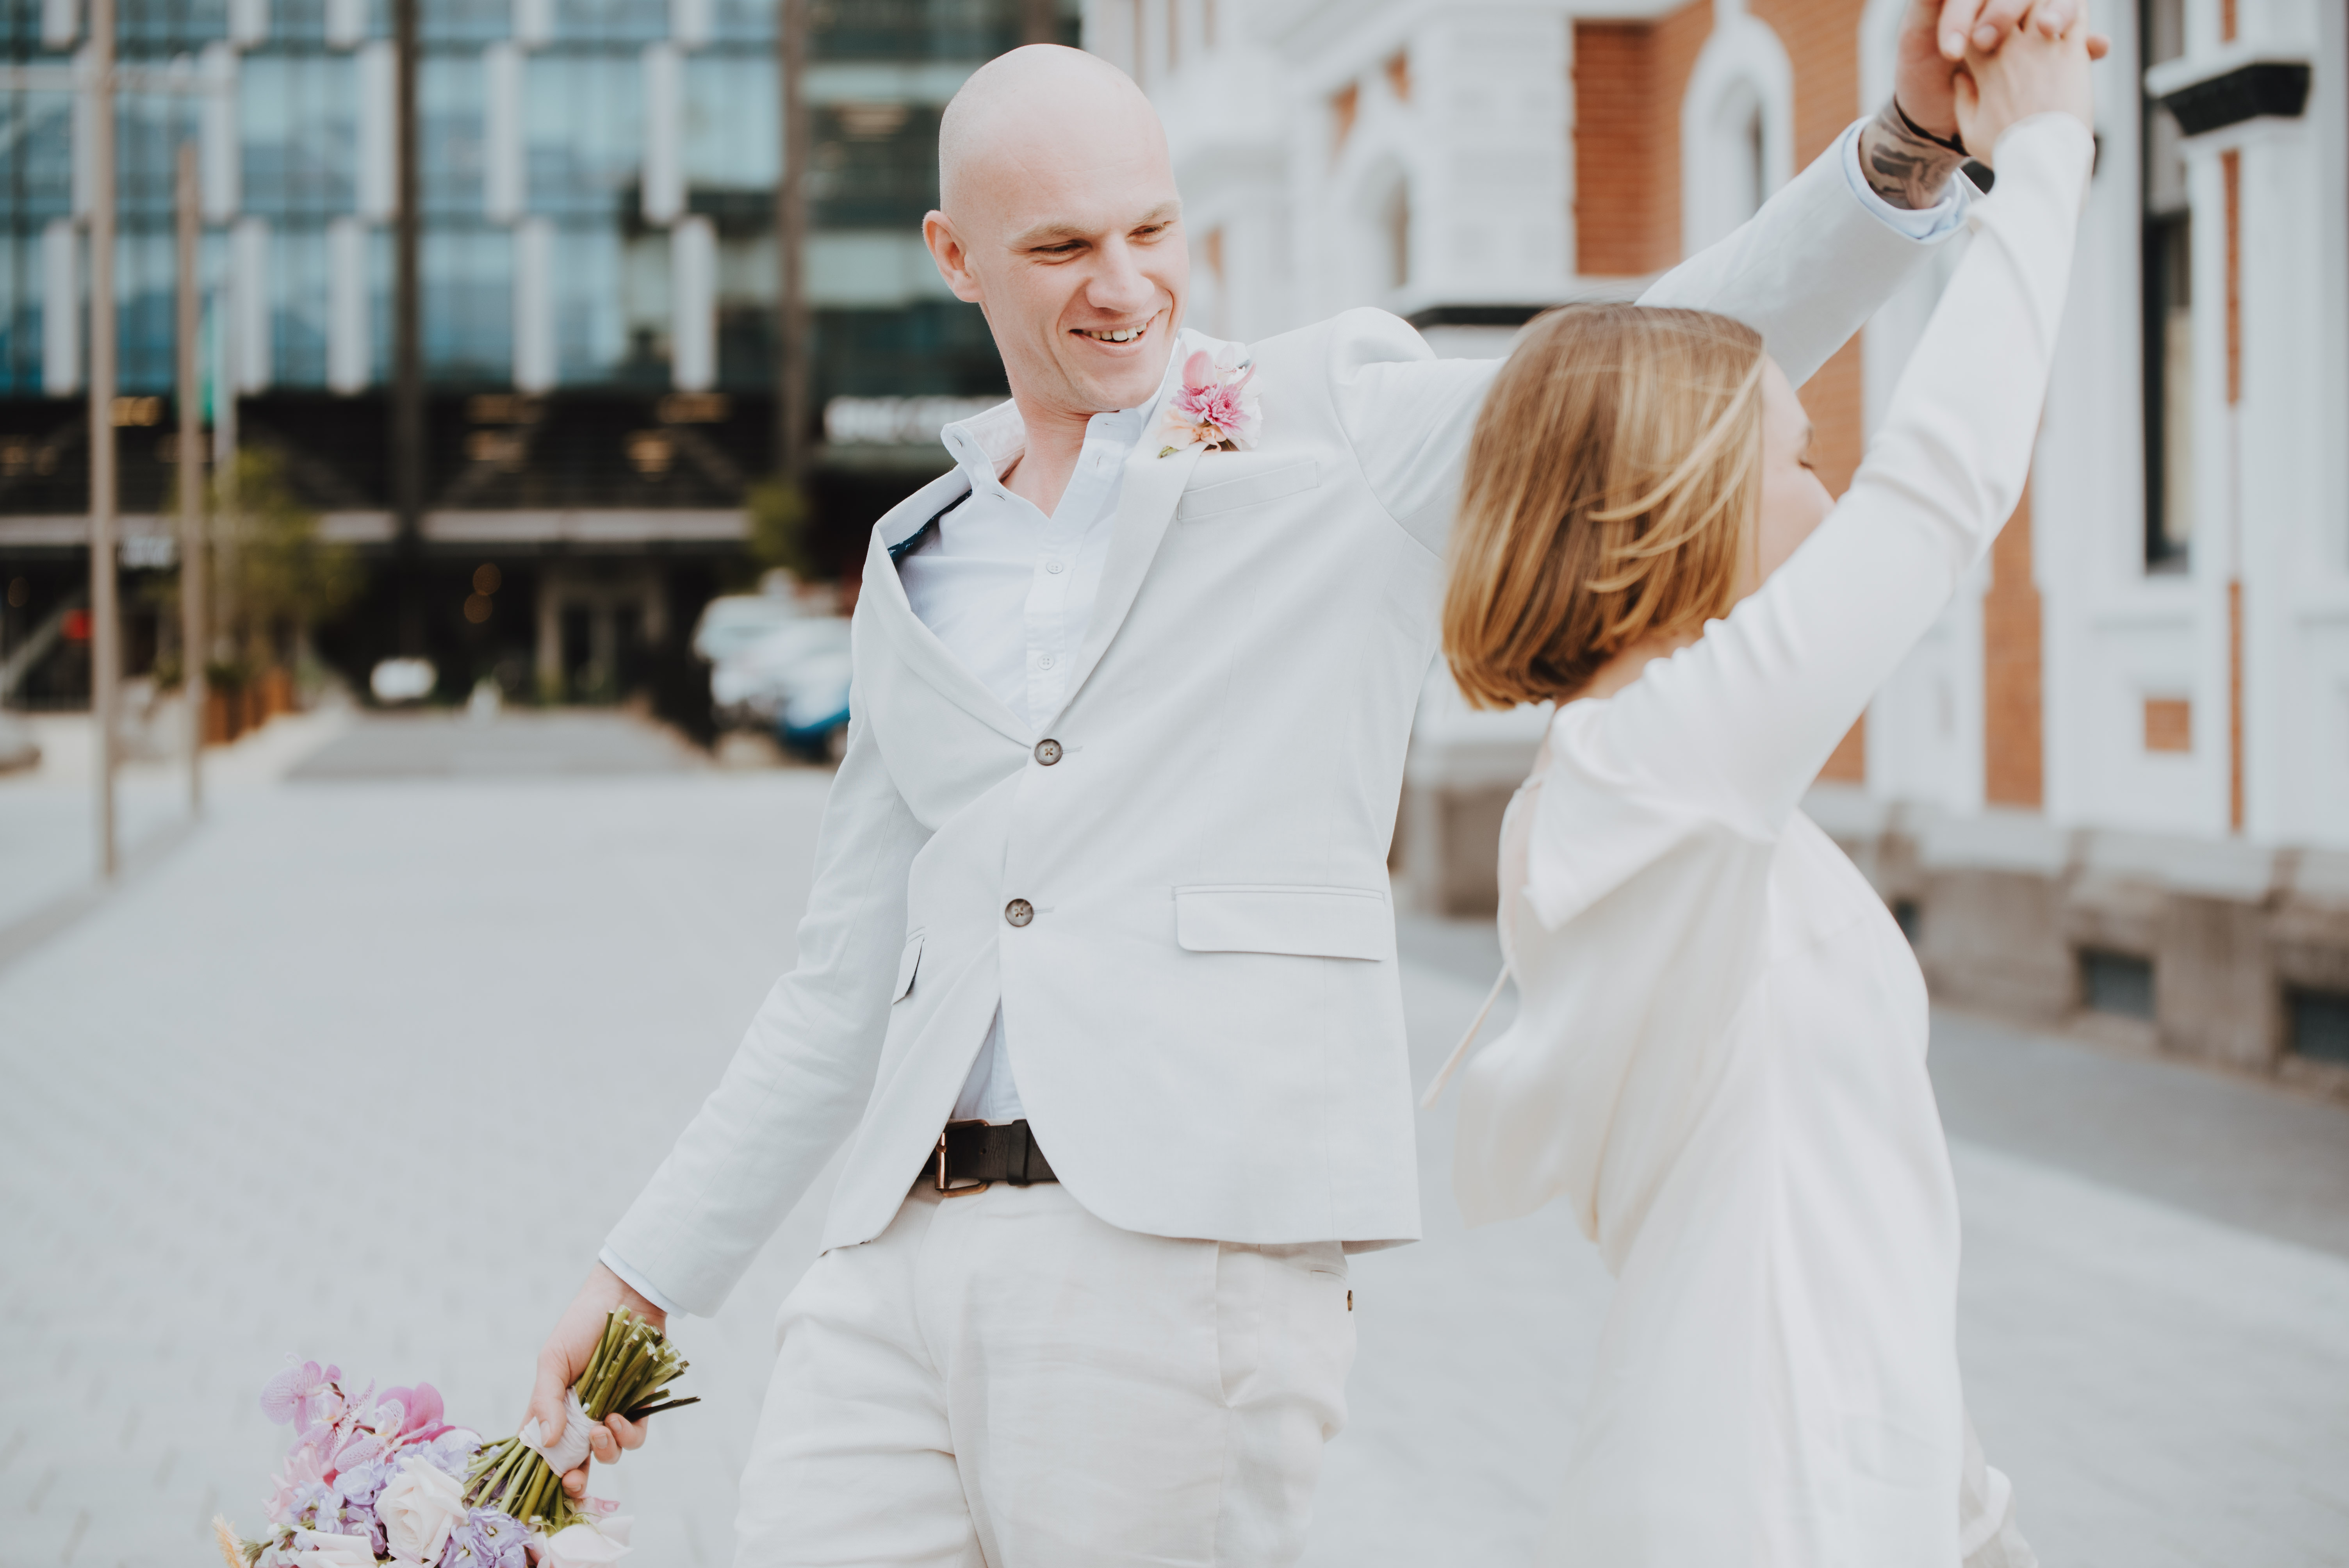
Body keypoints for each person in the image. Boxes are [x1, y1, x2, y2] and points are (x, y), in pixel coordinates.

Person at [526, 2, 2096, 1561]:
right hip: (888, 1252)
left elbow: (1635, 384)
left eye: (1153, 228)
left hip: (1178, 1243)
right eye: (1065, 249)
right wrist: (640, 1275)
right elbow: (834, 983)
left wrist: (1906, 156)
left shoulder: (1326, 417)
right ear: (956, 257)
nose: (1127, 283)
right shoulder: (914, 557)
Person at [1427, 11, 2094, 1565]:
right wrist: (2044, 148)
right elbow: (1939, 486)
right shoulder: (1657, 769)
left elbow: (1835, 1202)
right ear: (1685, 504)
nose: (1825, 490)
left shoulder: (1664, 787)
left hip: (1832, 1484)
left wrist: (1965, 1503)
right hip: (1761, 1500)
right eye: (1793, 458)